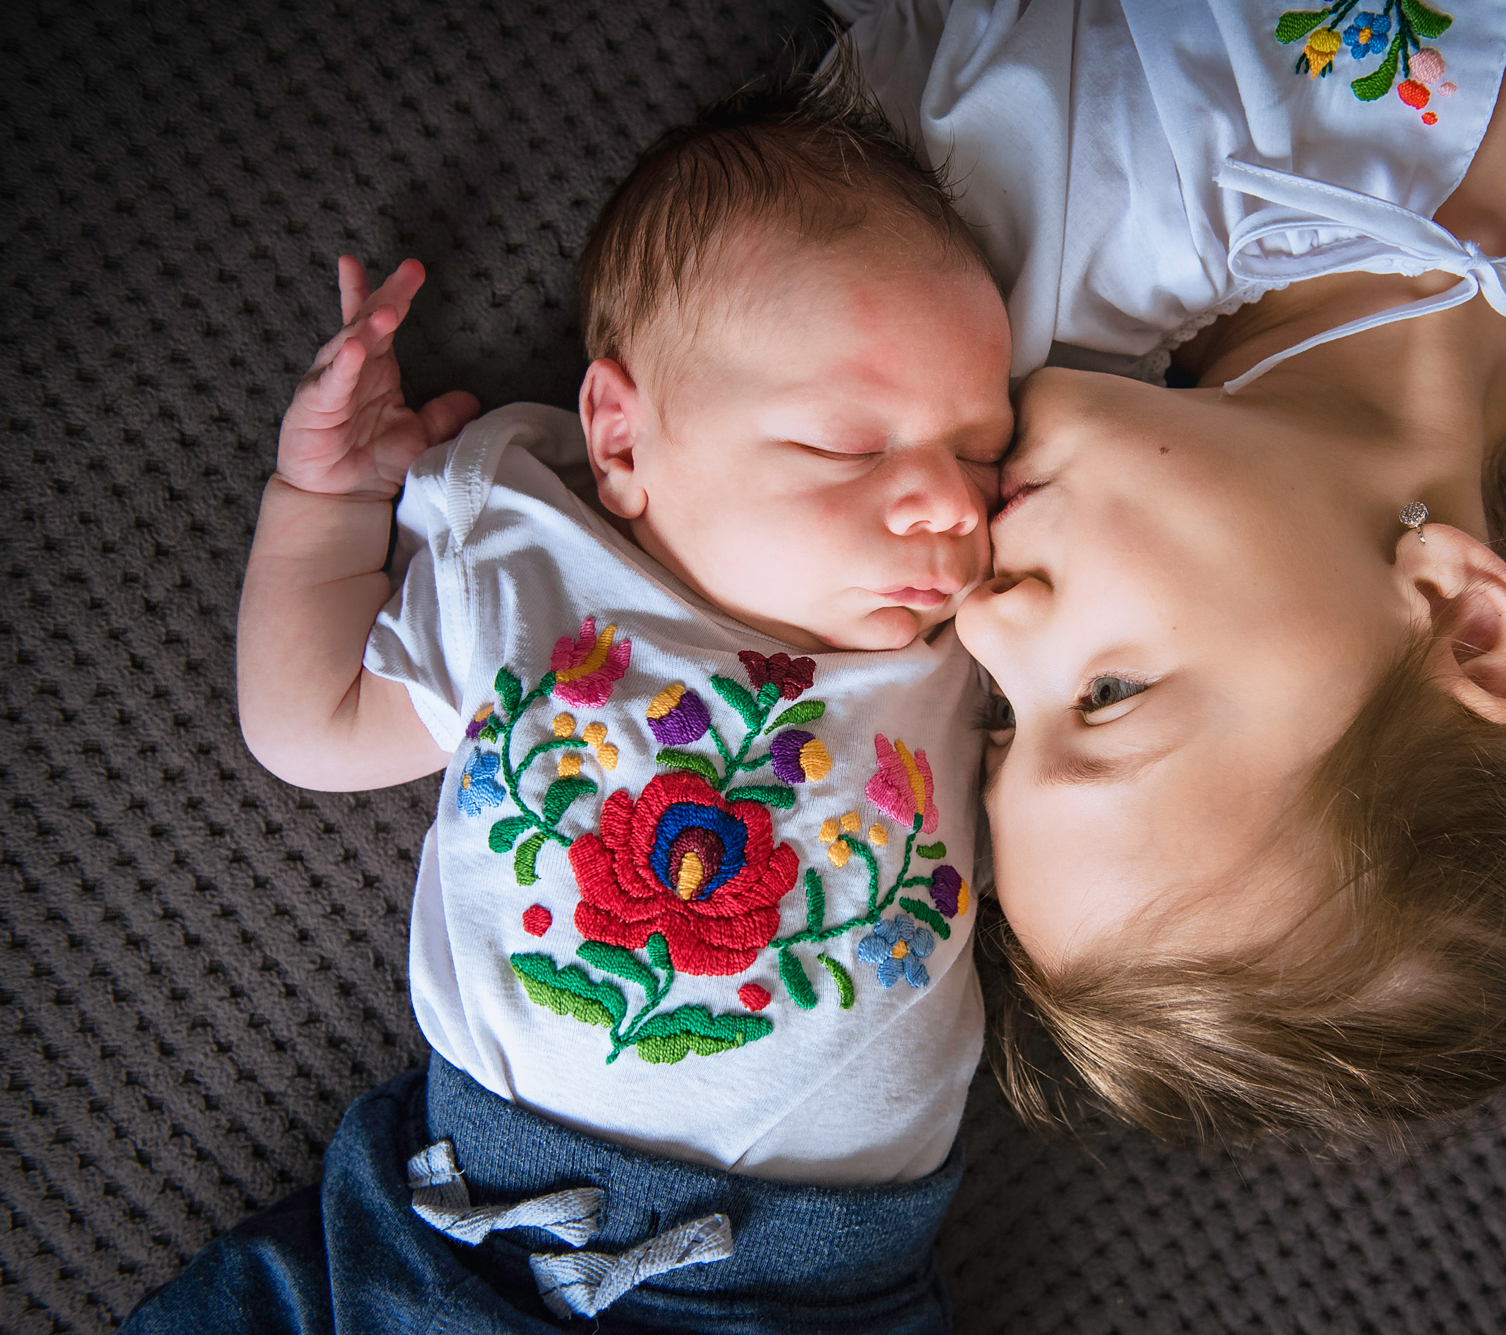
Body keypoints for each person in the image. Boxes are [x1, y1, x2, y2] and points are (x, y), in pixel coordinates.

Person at [840, 0, 1506, 1143]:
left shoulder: (1002, 213)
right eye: (1103, 699)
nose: (982, 626)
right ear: (1461, 625)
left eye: (1004, 726)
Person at [127, 74, 1012, 1333]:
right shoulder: (535, 578)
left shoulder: (975, 645)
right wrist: (325, 506)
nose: (946, 503)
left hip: (815, 1292)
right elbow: (309, 726)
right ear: (622, 440)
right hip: (476, 1228)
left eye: (979, 449)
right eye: (844, 447)